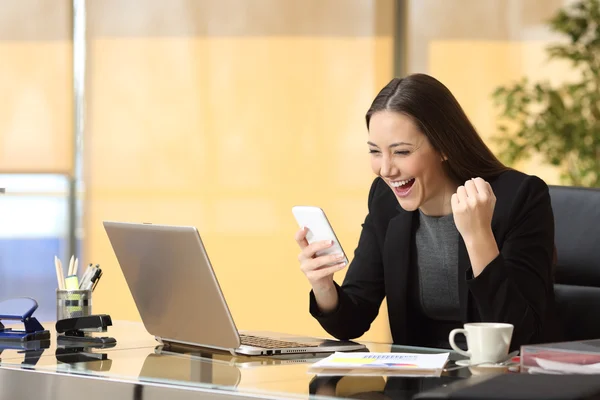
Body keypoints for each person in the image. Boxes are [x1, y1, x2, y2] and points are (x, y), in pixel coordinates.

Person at [294, 73, 561, 350]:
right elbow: (352, 321)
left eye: (401, 152)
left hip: (499, 383)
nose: (386, 169)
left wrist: (478, 236)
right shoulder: (384, 200)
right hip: (415, 383)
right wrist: (324, 286)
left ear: (443, 146)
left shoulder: (519, 198)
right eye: (375, 152)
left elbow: (519, 336)